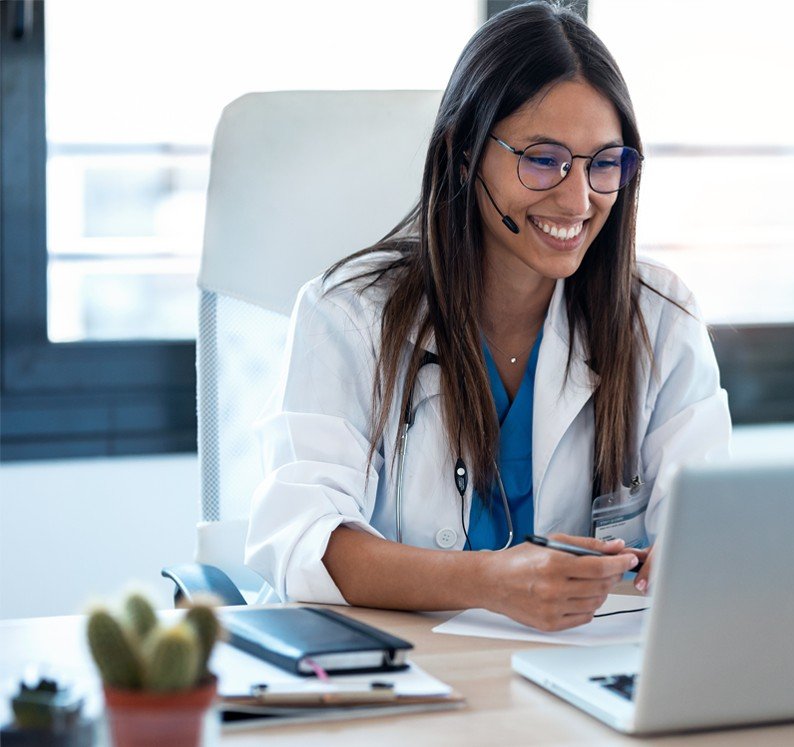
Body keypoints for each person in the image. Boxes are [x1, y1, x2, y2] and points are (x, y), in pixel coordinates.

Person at [245, 1, 731, 632]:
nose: (579, 198)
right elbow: (302, 541)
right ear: (465, 153)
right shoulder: (350, 316)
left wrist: (694, 558)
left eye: (604, 163)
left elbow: (711, 520)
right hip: (402, 678)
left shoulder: (659, 318)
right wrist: (493, 582)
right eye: (542, 158)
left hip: (582, 685)